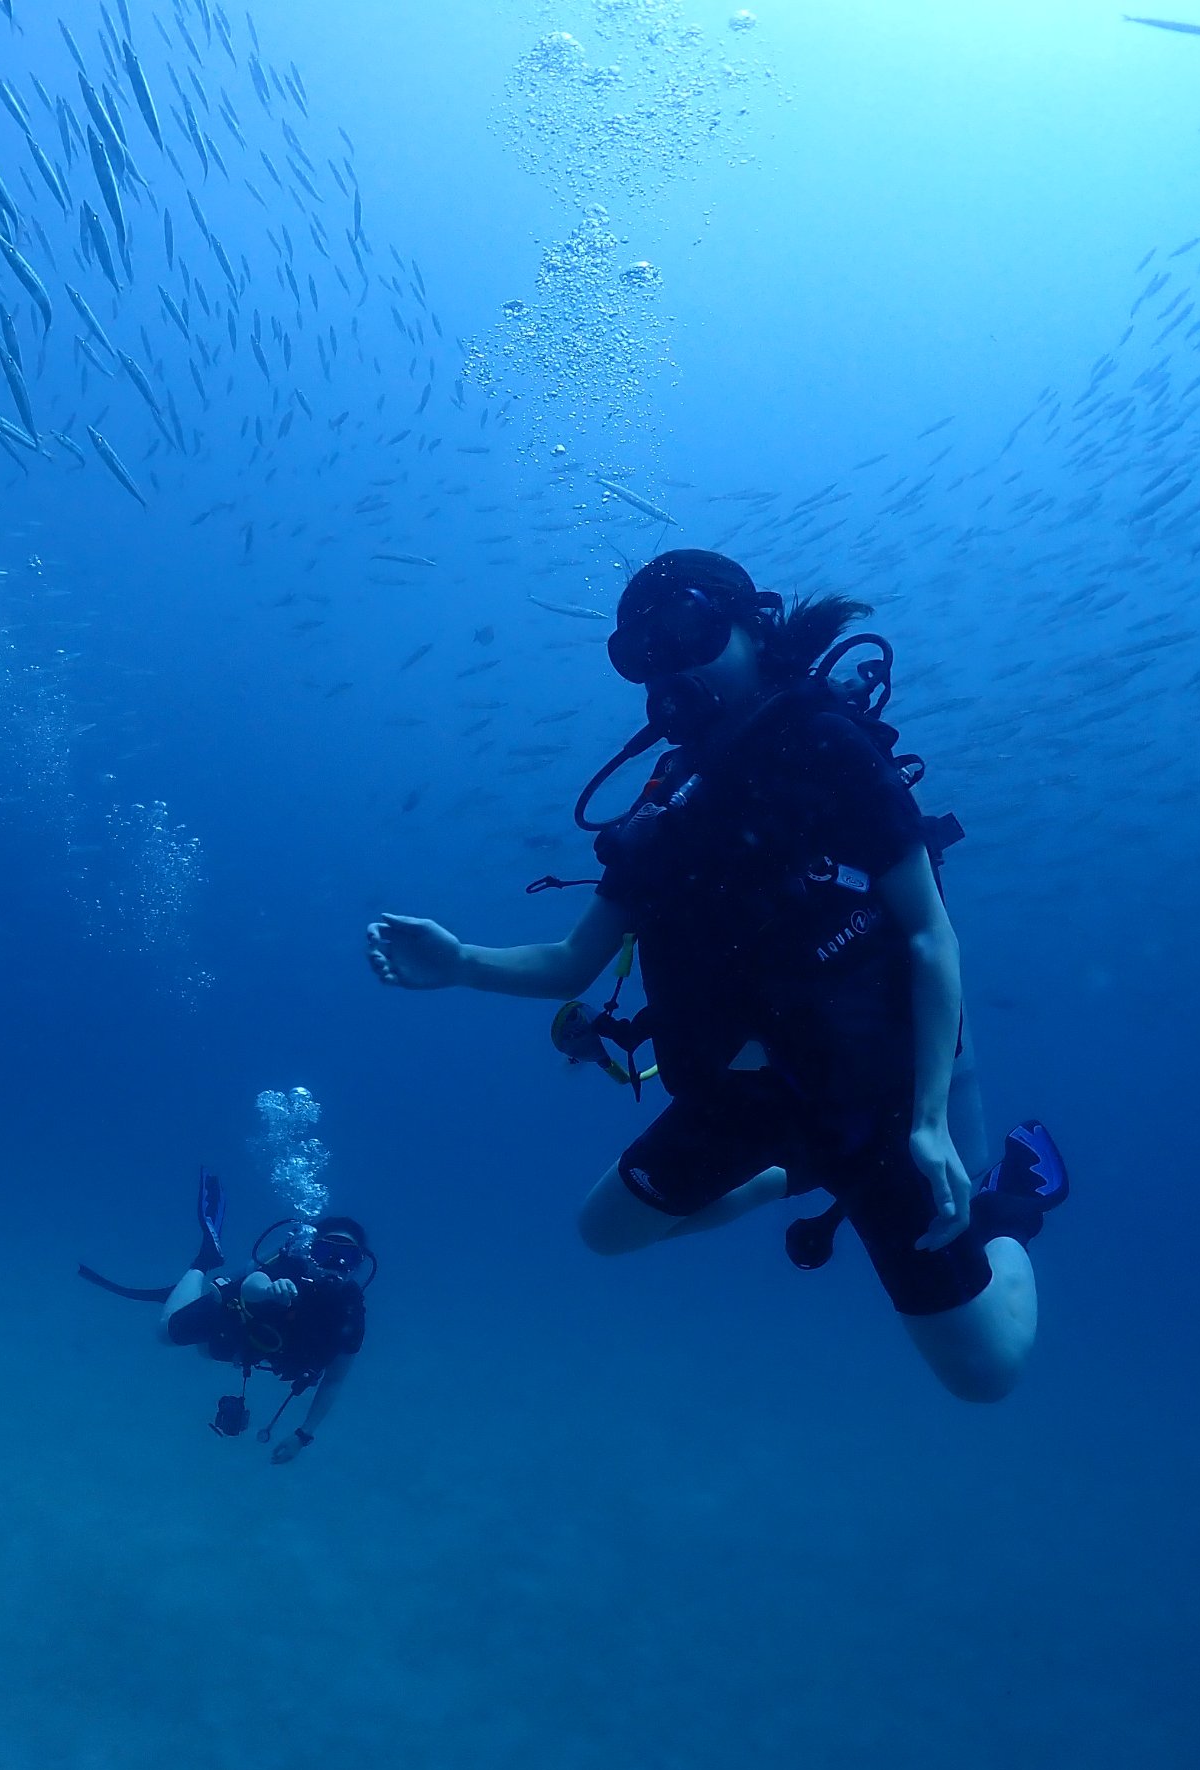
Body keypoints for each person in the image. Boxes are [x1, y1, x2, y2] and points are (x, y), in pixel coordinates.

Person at [365, 549, 1067, 1402]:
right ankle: (794, 1174)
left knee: (984, 1373)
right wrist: (462, 962)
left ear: (751, 623)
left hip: (876, 1102)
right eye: (643, 653)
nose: (669, 665)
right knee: (607, 1230)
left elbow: (928, 933)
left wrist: (925, 1122)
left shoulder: (825, 742)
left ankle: (1013, 1207)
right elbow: (573, 962)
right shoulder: (665, 800)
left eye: (687, 632)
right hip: (745, 1099)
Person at [78, 1171, 369, 1461]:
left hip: (253, 1344)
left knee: (205, 1352)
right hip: (237, 1316)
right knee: (165, 1334)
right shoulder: (293, 1265)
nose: (336, 1263)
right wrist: (270, 1289)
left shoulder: (350, 1310)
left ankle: (183, 1293)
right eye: (326, 1250)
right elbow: (252, 1284)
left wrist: (303, 1435)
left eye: (348, 1257)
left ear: (358, 1264)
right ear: (311, 1251)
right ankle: (204, 1262)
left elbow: (334, 1380)